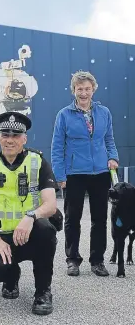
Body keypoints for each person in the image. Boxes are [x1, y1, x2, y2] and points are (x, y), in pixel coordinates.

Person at [0, 112, 58, 316]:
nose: (10, 140)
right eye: (5, 134)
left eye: (16, 135)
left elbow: (51, 205)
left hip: (30, 232)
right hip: (2, 236)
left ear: (24, 139)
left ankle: (42, 292)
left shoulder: (38, 162)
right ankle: (11, 278)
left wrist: (31, 217)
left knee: (47, 231)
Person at [51, 70, 119, 277]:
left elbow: (109, 139)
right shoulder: (64, 115)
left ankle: (97, 260)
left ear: (93, 90)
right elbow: (57, 147)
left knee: (100, 218)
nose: (83, 93)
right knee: (73, 218)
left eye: (87, 89)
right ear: (74, 91)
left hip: (100, 172)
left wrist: (113, 157)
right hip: (74, 174)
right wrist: (60, 175)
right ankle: (73, 260)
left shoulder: (104, 112)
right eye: (79, 89)